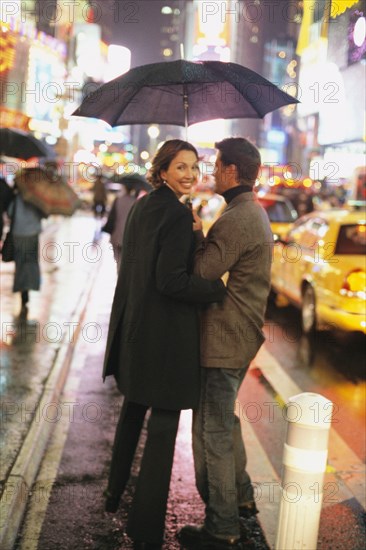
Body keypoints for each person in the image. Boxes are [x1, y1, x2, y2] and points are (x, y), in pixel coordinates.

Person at [102, 139, 226, 549]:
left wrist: (192, 230)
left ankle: (113, 493)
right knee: (162, 432)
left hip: (136, 333)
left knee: (132, 414)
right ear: (162, 171)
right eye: (181, 167)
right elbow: (170, 279)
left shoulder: (143, 205)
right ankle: (146, 530)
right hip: (166, 342)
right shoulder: (174, 213)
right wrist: (213, 288)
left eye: (195, 167)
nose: (190, 174)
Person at [179, 138, 273, 549]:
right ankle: (243, 499)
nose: (213, 172)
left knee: (211, 430)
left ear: (233, 171)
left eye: (218, 165)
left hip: (223, 338)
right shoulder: (250, 211)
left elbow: (203, 272)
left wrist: (197, 232)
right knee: (226, 423)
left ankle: (221, 527)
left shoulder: (237, 218)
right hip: (240, 334)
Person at [7, 188, 46, 317]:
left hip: (18, 234)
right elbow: (44, 214)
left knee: (20, 264)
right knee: (31, 262)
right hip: (32, 235)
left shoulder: (17, 197)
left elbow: (10, 212)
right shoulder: (37, 198)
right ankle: (28, 288)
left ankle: (22, 290)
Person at [102, 176, 150, 272]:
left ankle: (119, 274)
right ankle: (123, 276)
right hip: (130, 236)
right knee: (127, 261)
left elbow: (111, 216)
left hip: (116, 234)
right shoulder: (136, 202)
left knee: (118, 258)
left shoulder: (118, 200)